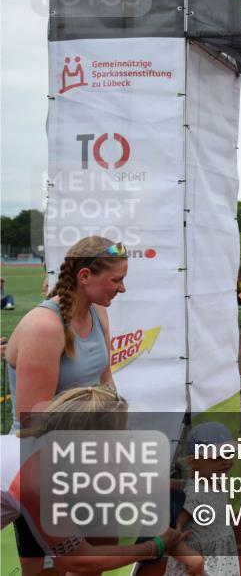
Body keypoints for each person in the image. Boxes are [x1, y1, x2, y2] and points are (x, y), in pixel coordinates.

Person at [4, 237, 128, 574]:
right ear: (85, 275)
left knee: (95, 564)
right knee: (51, 570)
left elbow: (106, 383)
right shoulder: (45, 326)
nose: (122, 288)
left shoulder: (98, 313)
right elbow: (33, 418)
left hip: (88, 460)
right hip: (42, 469)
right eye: (116, 280)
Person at [1, 386, 188, 573]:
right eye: (121, 431)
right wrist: (156, 546)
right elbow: (78, 561)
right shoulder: (36, 477)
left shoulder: (53, 448)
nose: (126, 439)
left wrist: (184, 485)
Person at [165, 422, 241, 576]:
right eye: (216, 457)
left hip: (220, 553)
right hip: (204, 561)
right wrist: (191, 559)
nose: (225, 461)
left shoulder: (219, 478)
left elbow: (185, 483)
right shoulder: (194, 495)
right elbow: (172, 532)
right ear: (194, 462)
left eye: (228, 453)